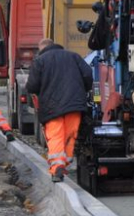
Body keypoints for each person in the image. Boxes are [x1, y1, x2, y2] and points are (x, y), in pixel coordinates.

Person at [26, 38, 93, 182]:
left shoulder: (40, 61)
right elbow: (88, 74)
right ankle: (64, 164)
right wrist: (83, 90)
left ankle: (57, 168)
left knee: (56, 135)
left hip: (52, 107)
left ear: (42, 49)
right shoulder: (74, 56)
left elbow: (32, 86)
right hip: (74, 104)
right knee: (70, 135)